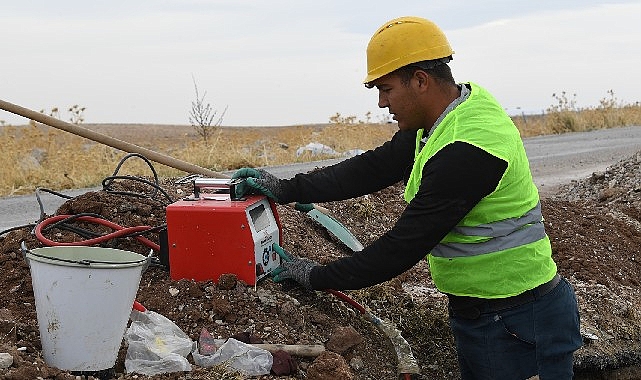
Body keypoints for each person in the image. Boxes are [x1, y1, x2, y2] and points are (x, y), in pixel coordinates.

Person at [233, 16, 582, 380]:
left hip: (520, 322)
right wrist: (288, 188)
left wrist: (315, 276)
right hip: (488, 316)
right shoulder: (440, 121)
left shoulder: (469, 147)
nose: (382, 103)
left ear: (420, 80)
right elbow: (369, 169)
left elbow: (402, 247)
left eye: (386, 89)